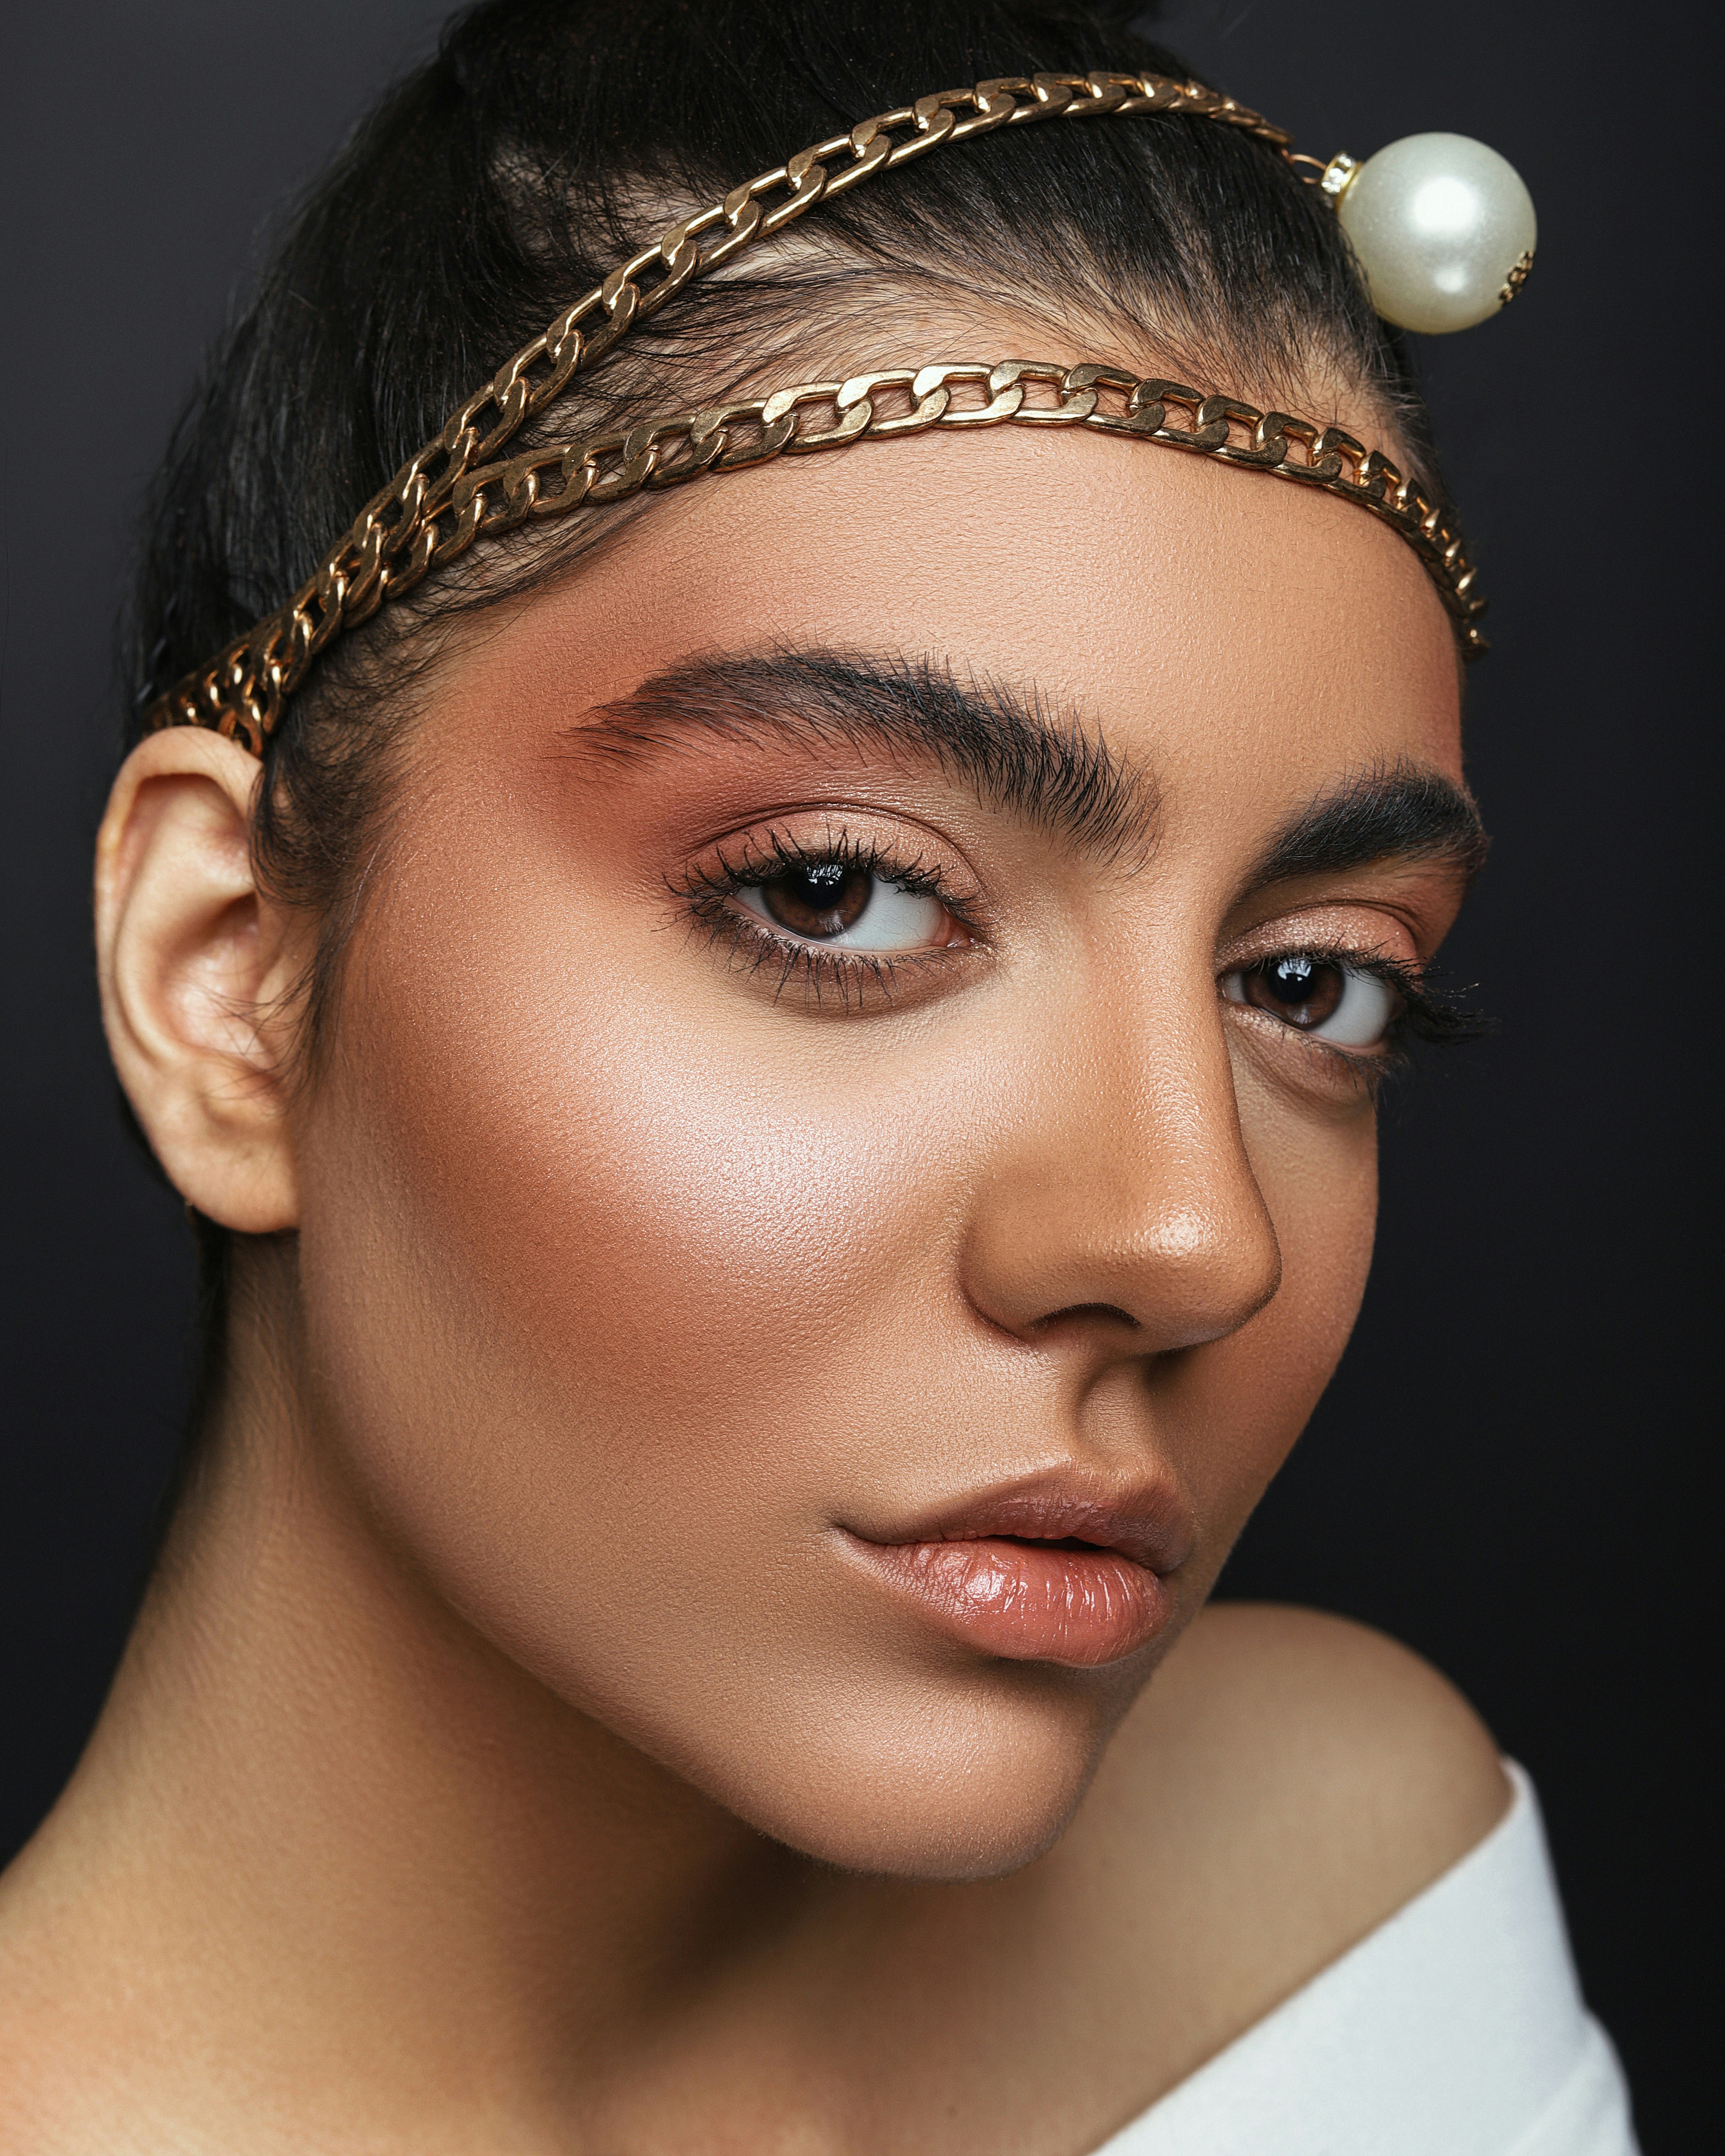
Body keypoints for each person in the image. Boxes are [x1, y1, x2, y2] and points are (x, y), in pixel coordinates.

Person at [0, 2, 1638, 2148]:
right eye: (843, 894)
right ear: (230, 979)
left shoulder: (1334, 1891)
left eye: (1313, 988)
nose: (1187, 1237)